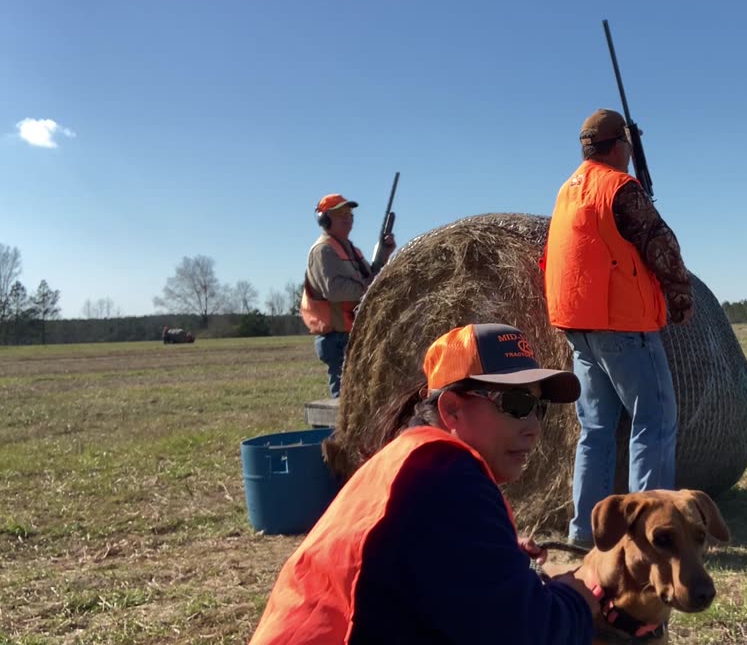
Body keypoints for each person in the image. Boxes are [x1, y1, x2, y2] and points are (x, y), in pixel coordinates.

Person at [249, 323, 600, 644]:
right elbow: (530, 635)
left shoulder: (417, 463)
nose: (534, 427)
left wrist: (498, 559)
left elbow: (434, 571)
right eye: (517, 403)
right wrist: (579, 597)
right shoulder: (446, 477)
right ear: (452, 410)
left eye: (539, 408)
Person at [543, 108, 695, 548]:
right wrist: (680, 295)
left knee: (595, 432)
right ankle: (650, 533)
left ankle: (585, 536)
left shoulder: (568, 191)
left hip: (580, 326)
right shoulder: (620, 187)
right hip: (623, 325)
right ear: (620, 146)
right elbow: (661, 244)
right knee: (654, 421)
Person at [300, 193, 396, 398]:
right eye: (340, 213)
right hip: (337, 337)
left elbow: (370, 277)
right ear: (325, 219)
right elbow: (334, 290)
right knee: (345, 404)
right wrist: (368, 287)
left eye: (349, 213)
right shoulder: (323, 250)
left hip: (352, 332)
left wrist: (385, 254)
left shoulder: (352, 249)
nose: (348, 217)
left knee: (362, 400)